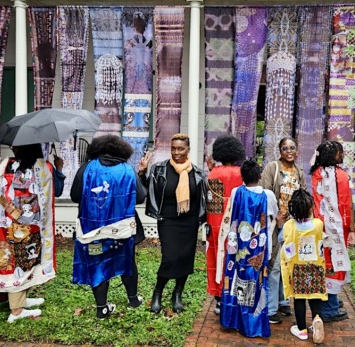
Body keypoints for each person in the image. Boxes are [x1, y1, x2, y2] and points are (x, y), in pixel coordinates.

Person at [71, 135, 146, 319]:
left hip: (92, 230)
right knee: (126, 261)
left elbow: (74, 196)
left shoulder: (86, 169)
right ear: (122, 151)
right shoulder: (128, 170)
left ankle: (102, 308)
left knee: (97, 263)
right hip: (121, 231)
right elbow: (141, 197)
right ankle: (133, 299)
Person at [0, 143, 65, 322]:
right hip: (32, 226)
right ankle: (16, 311)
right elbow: (57, 190)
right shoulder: (43, 167)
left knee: (17, 262)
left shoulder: (5, 164)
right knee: (21, 263)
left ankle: (22, 300)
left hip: (8, 225)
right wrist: (59, 169)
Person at [141, 133, 207, 314]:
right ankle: (158, 292)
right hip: (167, 220)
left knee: (185, 258)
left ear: (188, 150)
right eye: (173, 148)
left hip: (189, 221)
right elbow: (144, 192)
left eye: (180, 149)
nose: (176, 152)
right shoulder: (159, 169)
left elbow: (203, 198)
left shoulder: (198, 173)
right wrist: (141, 172)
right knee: (169, 257)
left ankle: (177, 293)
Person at [220, 159, 278, 338]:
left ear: (242, 176)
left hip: (237, 249)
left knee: (236, 281)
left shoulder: (236, 191)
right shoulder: (268, 195)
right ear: (260, 175)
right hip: (260, 248)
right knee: (258, 284)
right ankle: (253, 324)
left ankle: (234, 320)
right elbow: (273, 215)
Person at [260, 137, 306, 324]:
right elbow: (265, 193)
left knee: (288, 263)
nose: (289, 151)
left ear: (297, 151)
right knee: (275, 266)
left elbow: (304, 196)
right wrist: (276, 217)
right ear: (280, 151)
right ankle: (271, 309)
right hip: (276, 225)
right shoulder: (272, 168)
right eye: (285, 148)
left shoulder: (299, 171)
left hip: (294, 226)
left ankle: (283, 300)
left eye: (292, 148)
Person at [310, 141, 354, 323]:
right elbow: (346, 204)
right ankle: (330, 308)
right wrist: (351, 227)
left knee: (322, 263)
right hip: (336, 229)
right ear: (334, 155)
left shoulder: (316, 173)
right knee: (335, 265)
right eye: (340, 152)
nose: (342, 155)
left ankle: (328, 302)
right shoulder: (342, 176)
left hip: (318, 226)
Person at [205, 135, 246, 315]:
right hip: (238, 222)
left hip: (216, 222)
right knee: (238, 258)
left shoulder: (214, 173)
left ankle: (220, 298)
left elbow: (212, 205)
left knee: (217, 256)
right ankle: (236, 296)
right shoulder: (242, 173)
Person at [281, 188, 327, 344]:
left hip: (297, 268)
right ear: (310, 208)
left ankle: (301, 330)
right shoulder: (318, 224)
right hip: (315, 267)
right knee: (315, 295)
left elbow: (285, 240)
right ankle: (317, 318)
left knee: (299, 298)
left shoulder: (289, 226)